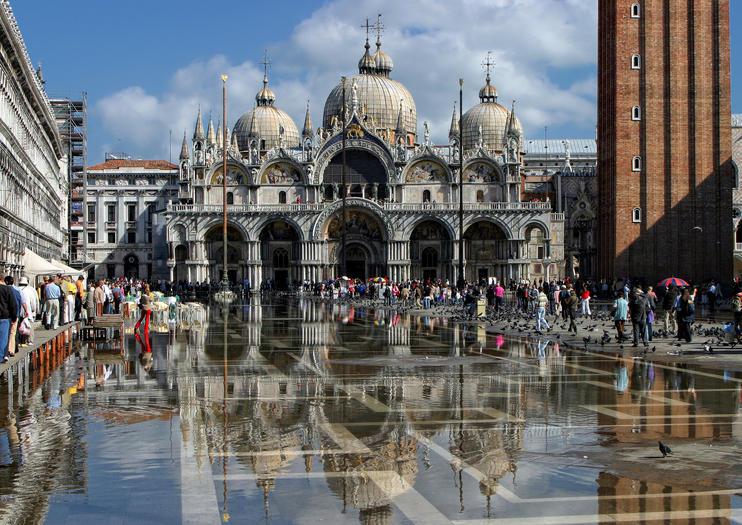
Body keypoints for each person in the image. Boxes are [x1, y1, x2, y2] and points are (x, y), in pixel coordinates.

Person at [0, 278, 17, 363]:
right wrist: (14, 317)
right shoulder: (7, 289)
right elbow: (13, 304)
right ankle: (1, 356)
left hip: (4, 315)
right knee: (3, 337)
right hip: (4, 316)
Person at [4, 277, 21, 357]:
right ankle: (11, 350)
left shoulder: (4, 290)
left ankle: (5, 350)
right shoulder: (17, 291)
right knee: (12, 333)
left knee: (5, 333)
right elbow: (19, 304)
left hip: (6, 315)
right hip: (15, 315)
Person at [17, 277, 37, 346]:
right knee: (29, 326)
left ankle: (20, 341)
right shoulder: (30, 290)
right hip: (28, 310)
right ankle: (29, 340)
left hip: (18, 311)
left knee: (19, 326)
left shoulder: (16, 289)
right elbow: (33, 302)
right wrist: (33, 310)